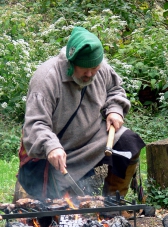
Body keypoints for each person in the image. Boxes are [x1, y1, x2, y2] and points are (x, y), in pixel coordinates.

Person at [15, 26, 145, 201]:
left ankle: (112, 206)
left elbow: (115, 89)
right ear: (71, 62)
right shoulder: (46, 78)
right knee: (53, 215)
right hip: (56, 152)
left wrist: (115, 108)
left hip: (93, 141)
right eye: (84, 69)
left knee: (129, 142)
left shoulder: (102, 69)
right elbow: (36, 124)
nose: (90, 74)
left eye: (95, 68)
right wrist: (51, 146)